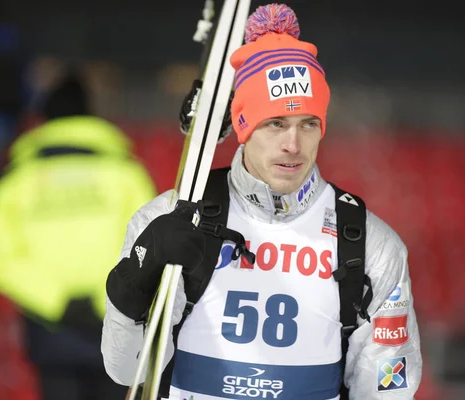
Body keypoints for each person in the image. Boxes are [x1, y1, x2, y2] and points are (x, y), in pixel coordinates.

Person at [102, 4, 422, 399]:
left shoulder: (369, 242)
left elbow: (388, 390)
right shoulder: (174, 218)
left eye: (308, 123)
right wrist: (135, 280)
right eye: (275, 124)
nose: (293, 144)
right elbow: (125, 370)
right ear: (243, 127)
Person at [0, 70, 157, 400]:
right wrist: (100, 298)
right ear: (90, 115)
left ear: (43, 118)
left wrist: (57, 303)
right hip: (115, 316)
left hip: (49, 328)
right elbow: (148, 243)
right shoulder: (126, 174)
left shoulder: (16, 182)